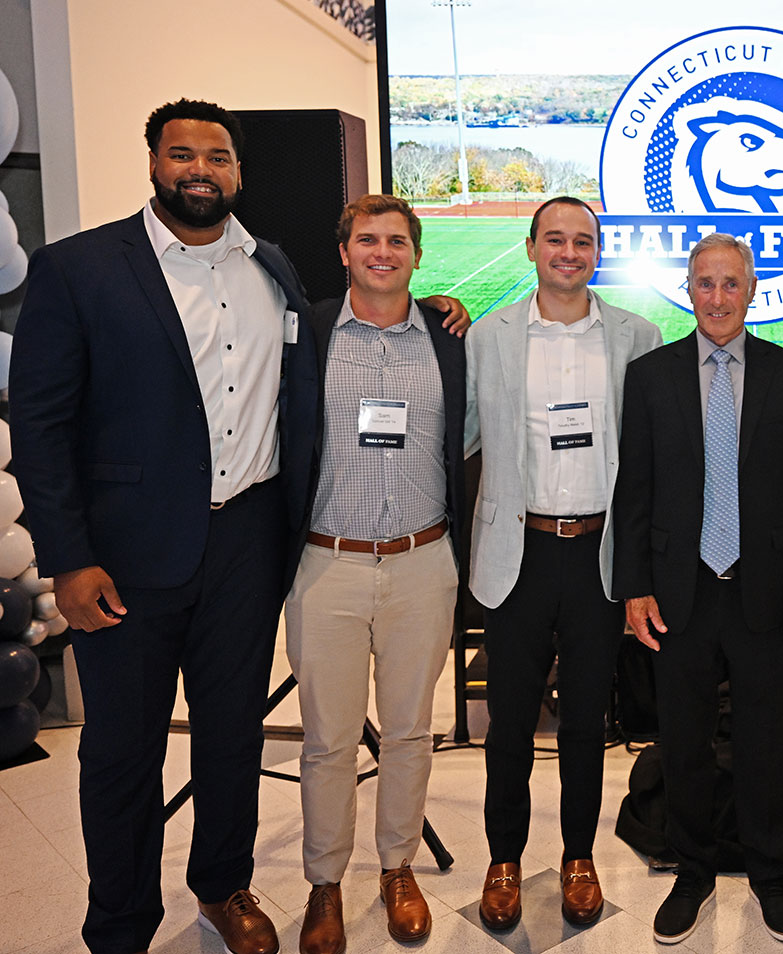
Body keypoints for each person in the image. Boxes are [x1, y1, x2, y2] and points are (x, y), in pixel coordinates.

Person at [8, 99, 466, 954]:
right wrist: (68, 559)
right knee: (121, 756)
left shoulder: (274, 269)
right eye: (182, 154)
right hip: (126, 559)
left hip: (248, 545)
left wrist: (433, 308)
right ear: (152, 164)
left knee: (230, 738)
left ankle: (223, 886)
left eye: (217, 157)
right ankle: (120, 925)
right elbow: (39, 424)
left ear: (238, 173)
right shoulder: (80, 268)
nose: (200, 170)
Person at [614, 233, 783, 944]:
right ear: (689, 289)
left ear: (751, 290)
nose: (716, 297)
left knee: (768, 738)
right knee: (681, 741)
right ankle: (692, 870)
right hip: (680, 591)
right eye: (704, 284)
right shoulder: (650, 376)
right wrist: (634, 589)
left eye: (729, 284)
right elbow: (636, 489)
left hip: (765, 593)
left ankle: (770, 873)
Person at [465, 196, 661, 931]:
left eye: (583, 242)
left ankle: (579, 857)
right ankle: (504, 859)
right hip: (518, 552)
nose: (569, 253)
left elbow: (648, 458)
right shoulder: (490, 336)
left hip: (599, 558)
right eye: (556, 239)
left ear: (598, 252)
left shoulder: (637, 337)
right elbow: (459, 436)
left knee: (587, 720)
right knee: (510, 723)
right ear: (531, 247)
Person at [282, 194, 471, 952]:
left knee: (408, 732)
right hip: (326, 565)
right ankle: (325, 883)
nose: (383, 252)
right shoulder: (311, 332)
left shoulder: (450, 339)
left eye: (398, 241)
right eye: (368, 240)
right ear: (344, 251)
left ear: (417, 255)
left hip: (424, 563)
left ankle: (398, 869)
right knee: (327, 739)